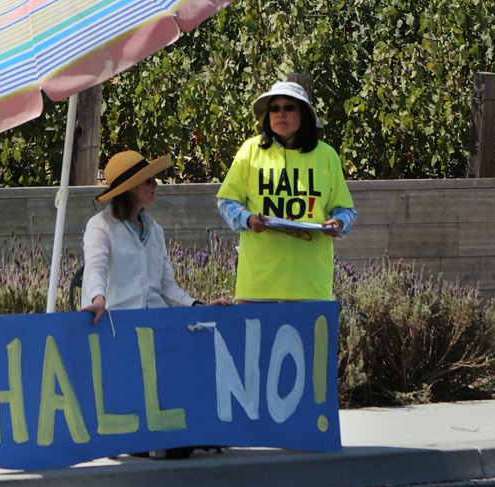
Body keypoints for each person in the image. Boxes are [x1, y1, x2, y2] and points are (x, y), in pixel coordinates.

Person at [216, 80, 357, 301]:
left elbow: (345, 210)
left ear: (304, 115)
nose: (280, 113)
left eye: (289, 107)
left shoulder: (327, 155)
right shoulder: (249, 151)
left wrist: (338, 223)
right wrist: (248, 219)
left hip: (311, 288)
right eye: (274, 108)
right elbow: (226, 201)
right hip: (257, 288)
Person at [81, 149, 195, 323]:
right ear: (132, 187)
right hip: (115, 325)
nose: (155, 185)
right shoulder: (101, 226)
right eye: (150, 180)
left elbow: (167, 286)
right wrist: (98, 300)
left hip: (156, 323)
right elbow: (96, 269)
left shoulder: (155, 230)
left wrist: (196, 305)